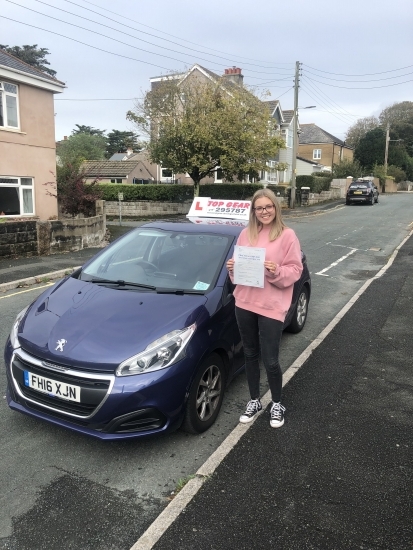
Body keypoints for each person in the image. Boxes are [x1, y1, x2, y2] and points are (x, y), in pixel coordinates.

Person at [226, 188, 303, 428]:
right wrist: (232, 268)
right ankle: (254, 400)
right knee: (250, 354)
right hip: (245, 302)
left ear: (275, 208)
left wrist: (276, 271)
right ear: (253, 211)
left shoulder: (287, 235)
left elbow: (295, 270)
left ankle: (277, 403)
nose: (264, 211)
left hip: (271, 304)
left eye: (268, 207)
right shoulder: (245, 234)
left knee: (270, 359)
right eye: (259, 208)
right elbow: (237, 276)